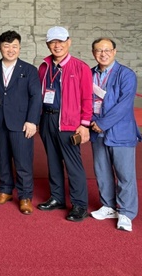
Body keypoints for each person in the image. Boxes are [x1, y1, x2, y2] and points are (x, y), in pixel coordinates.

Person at [37, 26, 92, 222]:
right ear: (47, 44)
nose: (57, 45)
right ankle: (57, 198)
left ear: (69, 42)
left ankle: (79, 205)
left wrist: (84, 124)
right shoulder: (44, 67)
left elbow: (87, 98)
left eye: (60, 41)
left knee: (73, 164)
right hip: (47, 119)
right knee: (52, 161)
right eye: (52, 42)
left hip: (69, 122)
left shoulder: (80, 67)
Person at [0, 31, 42, 215]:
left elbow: (36, 97)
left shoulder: (29, 70)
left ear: (20, 48)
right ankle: (5, 190)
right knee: (1, 158)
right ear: (0, 47)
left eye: (14, 46)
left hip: (21, 122)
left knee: (22, 160)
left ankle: (25, 196)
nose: (10, 50)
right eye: (6, 46)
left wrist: (32, 121)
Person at [89, 38, 140, 232]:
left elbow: (124, 105)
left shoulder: (126, 74)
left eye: (107, 50)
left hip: (120, 131)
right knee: (102, 171)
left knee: (125, 174)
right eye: (99, 50)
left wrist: (102, 124)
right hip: (97, 131)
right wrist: (93, 122)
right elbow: (86, 100)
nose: (103, 54)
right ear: (93, 53)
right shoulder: (90, 74)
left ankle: (126, 212)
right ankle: (108, 206)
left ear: (115, 51)